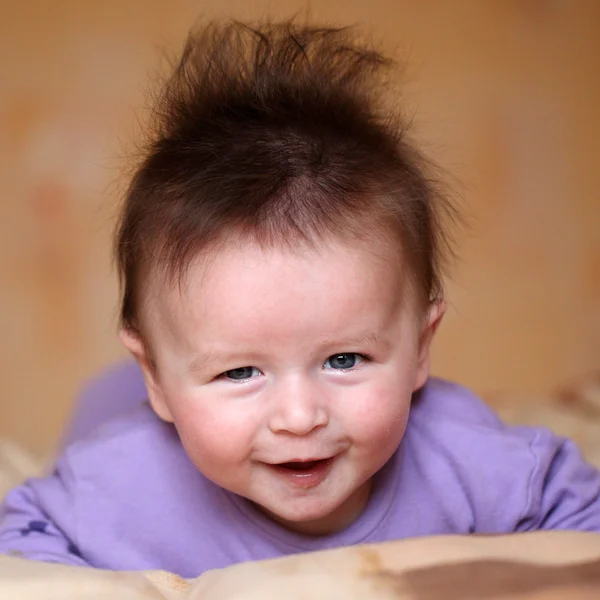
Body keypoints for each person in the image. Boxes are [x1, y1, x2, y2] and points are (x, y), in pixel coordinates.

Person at [1, 20, 599, 577]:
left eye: (345, 360)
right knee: (103, 408)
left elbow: (580, 512)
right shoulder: (117, 483)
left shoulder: (470, 462)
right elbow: (22, 540)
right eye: (241, 371)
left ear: (420, 347)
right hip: (123, 410)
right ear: (154, 377)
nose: (299, 418)